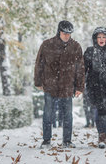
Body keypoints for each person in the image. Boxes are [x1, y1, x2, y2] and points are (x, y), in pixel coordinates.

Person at [34, 20, 84, 149]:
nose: (67, 36)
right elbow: (39, 63)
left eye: (69, 33)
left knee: (67, 114)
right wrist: (38, 81)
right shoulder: (47, 45)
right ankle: (46, 140)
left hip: (67, 85)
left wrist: (79, 86)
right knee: (48, 113)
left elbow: (80, 68)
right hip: (50, 84)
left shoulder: (76, 46)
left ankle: (67, 140)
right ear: (59, 32)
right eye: (64, 33)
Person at [83, 27, 106, 148]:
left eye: (103, 37)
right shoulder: (90, 51)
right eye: (99, 37)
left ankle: (103, 133)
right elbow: (84, 69)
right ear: (95, 39)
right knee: (99, 111)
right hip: (94, 87)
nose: (101, 39)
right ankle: (101, 135)